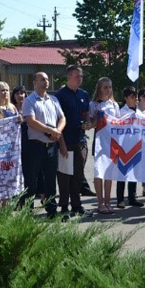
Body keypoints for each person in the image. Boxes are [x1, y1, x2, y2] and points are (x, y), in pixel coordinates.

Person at [20, 72, 66, 218]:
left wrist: (57, 131)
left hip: (51, 146)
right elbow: (31, 122)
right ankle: (27, 212)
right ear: (35, 82)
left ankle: (51, 210)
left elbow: (62, 117)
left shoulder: (53, 100)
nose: (46, 82)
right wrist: (50, 130)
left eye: (47, 79)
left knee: (51, 180)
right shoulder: (30, 101)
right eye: (42, 80)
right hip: (35, 147)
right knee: (31, 181)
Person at [54, 65, 91, 218]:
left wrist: (88, 123)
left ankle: (77, 205)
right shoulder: (60, 96)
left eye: (81, 76)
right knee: (64, 176)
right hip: (66, 141)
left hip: (80, 140)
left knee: (78, 175)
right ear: (68, 77)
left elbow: (87, 114)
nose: (79, 79)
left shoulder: (84, 94)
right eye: (77, 76)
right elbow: (57, 121)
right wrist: (61, 144)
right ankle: (64, 207)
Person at [90, 77, 120, 214]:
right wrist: (96, 118)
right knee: (99, 172)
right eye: (105, 87)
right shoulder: (93, 105)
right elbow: (90, 124)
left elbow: (118, 124)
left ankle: (108, 202)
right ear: (99, 89)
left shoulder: (114, 105)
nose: (108, 90)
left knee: (109, 173)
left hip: (112, 142)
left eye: (110, 87)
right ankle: (100, 202)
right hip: (99, 142)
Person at [115, 87, 144, 209]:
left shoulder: (140, 112)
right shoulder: (122, 112)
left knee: (134, 173)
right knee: (122, 173)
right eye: (132, 97)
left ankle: (132, 197)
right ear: (126, 98)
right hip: (124, 146)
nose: (135, 99)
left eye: (136, 97)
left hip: (137, 145)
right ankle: (120, 199)